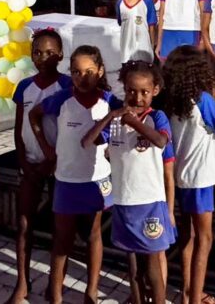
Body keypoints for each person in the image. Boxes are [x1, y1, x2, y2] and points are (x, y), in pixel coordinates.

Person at [29, 45, 119, 304]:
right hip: (66, 180)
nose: (83, 77)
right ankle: (56, 294)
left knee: (93, 235)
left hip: (97, 180)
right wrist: (47, 149)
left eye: (89, 71)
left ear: (100, 71)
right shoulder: (62, 99)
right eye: (77, 72)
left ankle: (91, 291)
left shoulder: (111, 102)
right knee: (62, 239)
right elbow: (34, 115)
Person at [81, 60, 175, 304]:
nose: (137, 97)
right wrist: (111, 116)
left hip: (149, 202)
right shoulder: (115, 121)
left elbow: (161, 142)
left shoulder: (156, 117)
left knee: (152, 264)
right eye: (132, 91)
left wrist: (135, 122)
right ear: (124, 89)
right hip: (123, 201)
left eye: (144, 92)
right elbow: (87, 141)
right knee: (132, 265)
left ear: (155, 90)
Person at [162, 46, 215, 304]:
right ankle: (195, 297)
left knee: (188, 234)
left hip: (181, 177)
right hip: (202, 177)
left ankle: (187, 291)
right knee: (205, 238)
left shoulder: (170, 102)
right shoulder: (202, 99)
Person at [7, 29, 71, 304]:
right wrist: (23, 161)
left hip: (59, 167)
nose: (43, 58)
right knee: (24, 224)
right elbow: (19, 128)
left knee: (60, 228)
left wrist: (51, 162)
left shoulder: (67, 86)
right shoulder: (24, 87)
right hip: (30, 165)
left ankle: (55, 285)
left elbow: (69, 130)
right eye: (37, 52)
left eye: (49, 52)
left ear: (61, 55)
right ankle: (22, 283)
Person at [115, 0, 158, 64]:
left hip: (144, 50)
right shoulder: (120, 2)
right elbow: (121, 22)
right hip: (126, 52)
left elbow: (151, 27)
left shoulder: (147, 1)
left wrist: (151, 47)